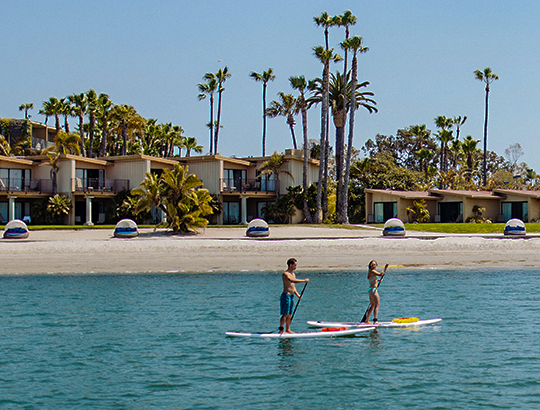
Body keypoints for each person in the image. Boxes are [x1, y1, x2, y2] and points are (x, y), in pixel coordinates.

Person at [279, 258, 309, 334]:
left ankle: (288, 329)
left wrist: (298, 295)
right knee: (285, 314)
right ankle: (281, 330)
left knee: (289, 314)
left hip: (291, 296)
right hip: (286, 295)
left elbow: (293, 286)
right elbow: (291, 280)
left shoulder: (293, 274)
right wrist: (303, 281)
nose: (296, 266)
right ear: (290, 265)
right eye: (294, 265)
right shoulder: (285, 274)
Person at [362, 260, 388, 324]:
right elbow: (381, 274)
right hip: (373, 290)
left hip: (370, 290)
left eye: (374, 264)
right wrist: (385, 267)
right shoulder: (372, 271)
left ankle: (366, 320)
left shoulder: (371, 272)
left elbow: (373, 279)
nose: (373, 265)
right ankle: (375, 320)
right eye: (372, 264)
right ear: (370, 265)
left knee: (372, 305)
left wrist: (378, 280)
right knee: (377, 305)